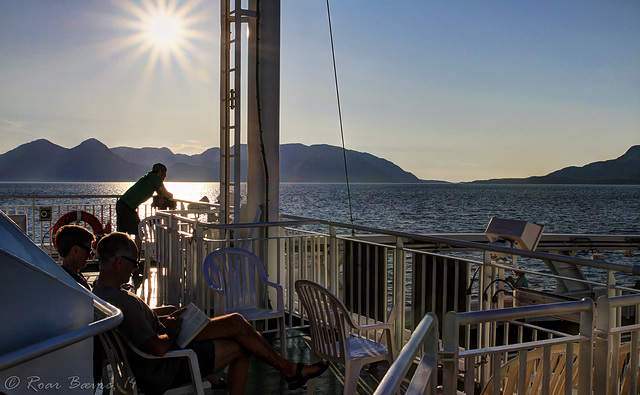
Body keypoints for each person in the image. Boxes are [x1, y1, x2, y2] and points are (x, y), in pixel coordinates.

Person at [92, 232, 329, 394]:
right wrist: (173, 329)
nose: (136, 268)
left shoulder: (101, 294)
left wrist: (168, 316)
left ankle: (291, 370)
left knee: (236, 326)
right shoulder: (122, 300)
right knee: (239, 335)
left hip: (149, 362)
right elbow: (158, 347)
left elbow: (139, 328)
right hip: (164, 366)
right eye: (135, 263)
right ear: (119, 262)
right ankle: (290, 370)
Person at [116, 163, 173, 253]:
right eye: (164, 173)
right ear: (160, 172)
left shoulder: (150, 177)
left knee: (121, 234)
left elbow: (160, 192)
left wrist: (161, 196)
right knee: (139, 233)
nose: (165, 176)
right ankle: (136, 257)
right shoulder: (156, 178)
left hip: (122, 204)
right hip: (127, 207)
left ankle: (120, 255)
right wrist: (170, 196)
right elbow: (165, 193)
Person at [55, 224, 96, 290]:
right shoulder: (74, 282)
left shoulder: (61, 276)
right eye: (88, 250)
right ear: (75, 250)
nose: (90, 256)